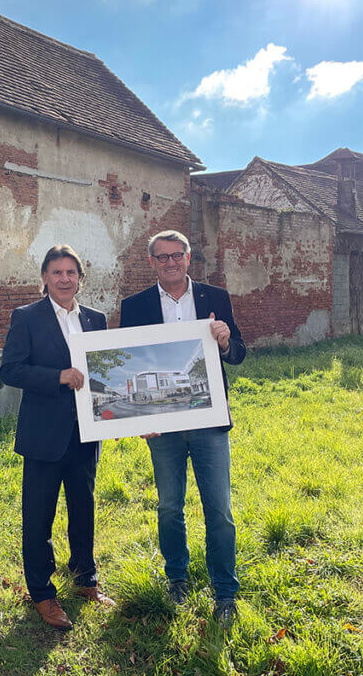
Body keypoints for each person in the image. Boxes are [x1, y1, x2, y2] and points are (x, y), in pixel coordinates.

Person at [119, 229, 246, 625]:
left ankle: (225, 592)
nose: (171, 262)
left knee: (219, 511)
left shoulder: (216, 297)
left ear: (189, 258)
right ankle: (177, 580)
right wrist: (139, 418)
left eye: (177, 255)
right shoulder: (135, 305)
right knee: (170, 506)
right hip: (163, 427)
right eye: (162, 257)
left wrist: (225, 342)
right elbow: (128, 362)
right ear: (152, 262)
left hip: (209, 423)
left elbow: (239, 354)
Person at [0, 244, 115, 630]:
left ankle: (86, 580)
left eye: (71, 272)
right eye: (56, 272)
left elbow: (105, 372)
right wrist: (57, 377)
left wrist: (118, 416)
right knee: (38, 517)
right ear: (45, 278)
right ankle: (43, 594)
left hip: (86, 433)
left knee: (84, 509)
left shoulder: (97, 319)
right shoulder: (27, 317)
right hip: (43, 434)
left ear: (80, 277)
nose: (64, 279)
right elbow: (11, 370)